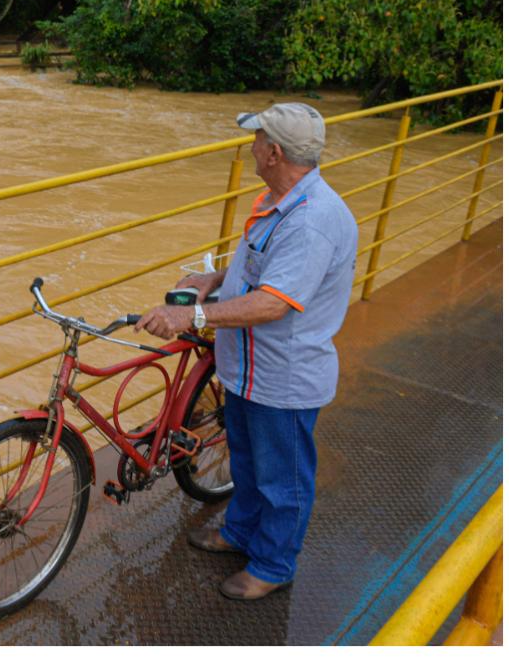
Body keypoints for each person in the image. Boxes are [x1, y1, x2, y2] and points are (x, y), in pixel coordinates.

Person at [133, 102, 358, 600]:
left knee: (284, 480)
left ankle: (274, 564)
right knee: (249, 464)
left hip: (284, 377)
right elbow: (260, 270)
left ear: (274, 152)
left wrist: (190, 315)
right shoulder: (281, 201)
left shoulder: (311, 222)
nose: (251, 148)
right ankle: (240, 532)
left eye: (257, 141)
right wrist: (214, 278)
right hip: (248, 370)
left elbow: (274, 303)